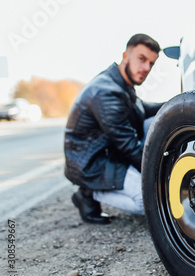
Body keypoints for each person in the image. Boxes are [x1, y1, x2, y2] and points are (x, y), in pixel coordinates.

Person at [64, 33, 163, 224]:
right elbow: (129, 146)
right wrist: (159, 177)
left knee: (159, 119)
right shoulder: (106, 92)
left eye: (151, 63)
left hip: (111, 150)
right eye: (141, 59)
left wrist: (181, 102)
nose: (146, 68)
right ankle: (88, 193)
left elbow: (144, 109)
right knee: (150, 202)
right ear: (125, 55)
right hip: (93, 163)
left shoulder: (121, 82)